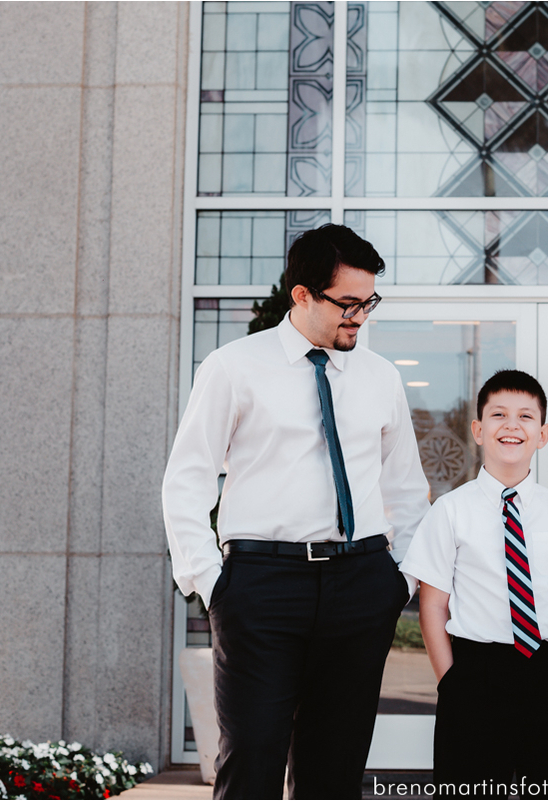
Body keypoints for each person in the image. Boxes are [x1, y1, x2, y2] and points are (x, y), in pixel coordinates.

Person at [162, 224, 431, 799]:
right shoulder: (233, 367)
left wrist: (397, 580)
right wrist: (212, 583)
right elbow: (186, 480)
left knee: (334, 770)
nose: (360, 317)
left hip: (360, 585)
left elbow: (407, 489)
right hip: (261, 586)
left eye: (369, 302)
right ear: (303, 295)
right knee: (252, 761)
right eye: (348, 303)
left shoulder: (380, 377)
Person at [401, 370, 548, 798]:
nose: (511, 425)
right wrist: (451, 684)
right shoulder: (449, 511)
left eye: (525, 417)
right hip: (478, 675)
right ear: (478, 430)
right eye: (498, 415)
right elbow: (433, 605)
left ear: (544, 433)